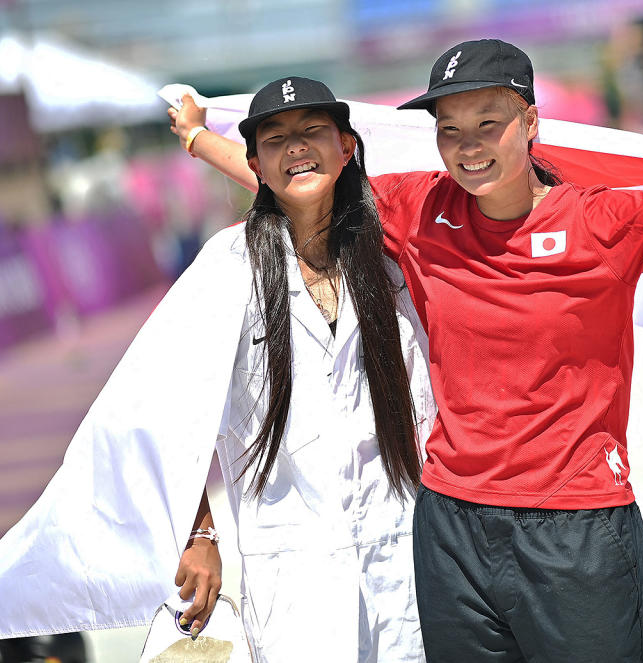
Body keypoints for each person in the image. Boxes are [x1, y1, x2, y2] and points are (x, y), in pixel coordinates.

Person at [170, 39, 643, 663]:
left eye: (489, 124)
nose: (468, 148)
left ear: (530, 123)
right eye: (450, 130)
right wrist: (202, 140)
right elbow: (303, 179)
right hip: (453, 530)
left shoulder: (605, 221)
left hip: (578, 530)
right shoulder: (419, 208)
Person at [0, 77, 434, 663]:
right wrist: (197, 530)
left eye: (313, 132)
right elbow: (154, 413)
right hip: (294, 575)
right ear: (256, 163)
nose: (297, 148)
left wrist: (201, 137)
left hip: (404, 558)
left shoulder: (393, 259)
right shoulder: (226, 270)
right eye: (276, 139)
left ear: (348, 146)